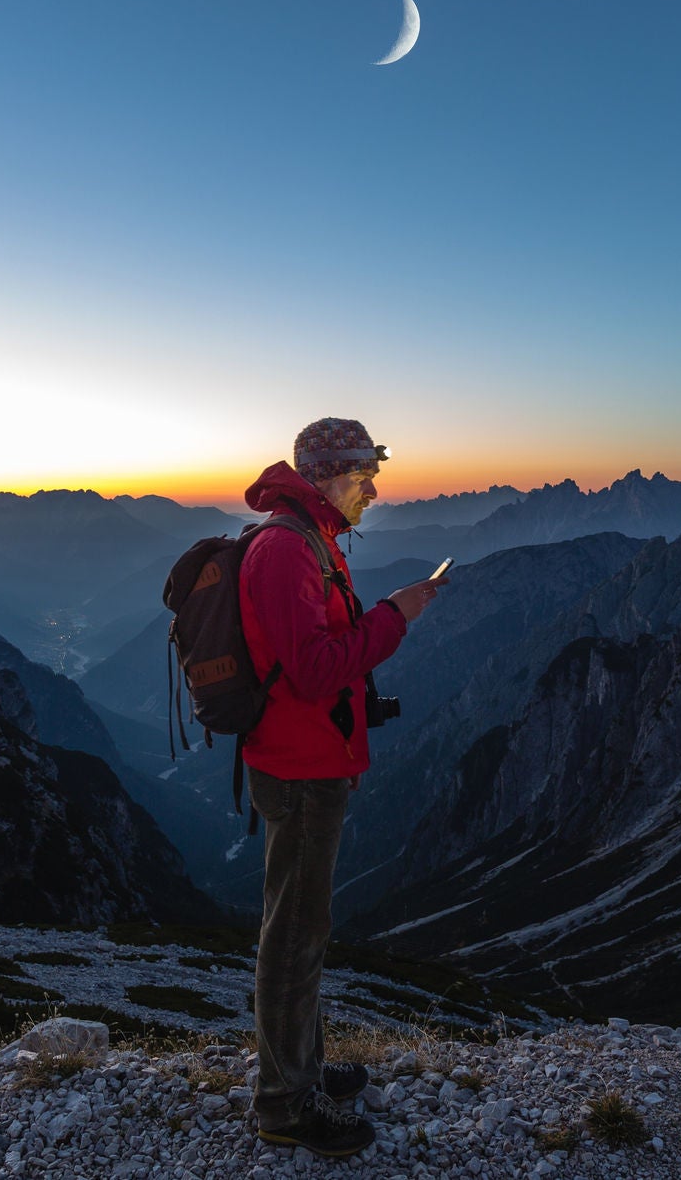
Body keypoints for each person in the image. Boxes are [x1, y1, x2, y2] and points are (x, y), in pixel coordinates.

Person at [239, 417, 447, 1158]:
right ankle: (284, 1106)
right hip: (299, 773)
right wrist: (398, 615)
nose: (376, 488)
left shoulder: (310, 538)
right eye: (366, 475)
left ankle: (303, 1067)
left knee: (303, 928)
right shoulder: (286, 548)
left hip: (312, 763)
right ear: (331, 474)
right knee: (292, 935)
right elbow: (313, 669)